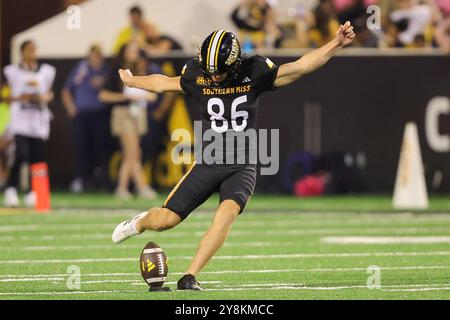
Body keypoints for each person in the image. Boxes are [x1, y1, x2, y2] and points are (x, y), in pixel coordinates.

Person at [112, 23, 355, 290]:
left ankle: (190, 275)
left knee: (226, 214)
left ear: (236, 64)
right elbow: (165, 83)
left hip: (242, 164)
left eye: (221, 72)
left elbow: (301, 66)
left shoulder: (254, 71)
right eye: (210, 72)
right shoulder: (198, 74)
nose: (215, 77)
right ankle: (138, 222)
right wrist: (134, 81)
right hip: (209, 160)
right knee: (164, 221)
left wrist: (336, 44)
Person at [99, 42, 158, 200]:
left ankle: (122, 188)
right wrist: (124, 97)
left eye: (136, 50)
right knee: (133, 152)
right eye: (131, 50)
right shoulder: (115, 71)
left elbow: (153, 94)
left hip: (137, 112)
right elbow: (103, 95)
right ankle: (142, 186)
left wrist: (143, 95)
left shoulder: (140, 70)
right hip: (123, 112)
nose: (134, 53)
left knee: (130, 154)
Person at [2, 40, 56, 207]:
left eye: (34, 49)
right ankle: (11, 189)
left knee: (38, 158)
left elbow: (49, 94)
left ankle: (35, 192)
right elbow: (5, 96)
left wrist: (43, 97)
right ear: (22, 52)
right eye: (29, 50)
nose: (32, 53)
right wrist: (21, 97)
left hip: (38, 121)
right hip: (20, 120)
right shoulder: (11, 72)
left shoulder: (46, 71)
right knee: (21, 154)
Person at [62, 44, 110, 193]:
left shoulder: (106, 71)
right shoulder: (81, 69)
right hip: (81, 115)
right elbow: (66, 90)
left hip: (99, 115)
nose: (95, 59)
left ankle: (100, 181)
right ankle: (82, 179)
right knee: (81, 148)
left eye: (98, 56)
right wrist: (70, 107)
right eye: (93, 56)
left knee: (100, 149)